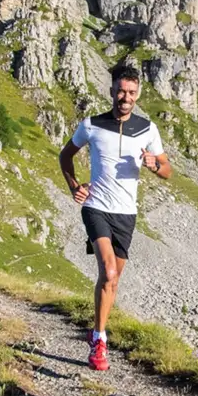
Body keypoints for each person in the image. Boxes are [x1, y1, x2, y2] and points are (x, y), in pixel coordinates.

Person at [59, 63, 172, 371]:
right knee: (108, 272)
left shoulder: (148, 129)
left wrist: (153, 165)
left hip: (127, 214)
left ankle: (98, 328)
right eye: (121, 91)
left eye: (132, 93)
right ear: (111, 91)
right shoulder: (92, 125)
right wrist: (74, 186)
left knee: (112, 279)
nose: (125, 97)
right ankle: (99, 340)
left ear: (137, 95)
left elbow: (167, 170)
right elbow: (65, 155)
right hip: (96, 207)